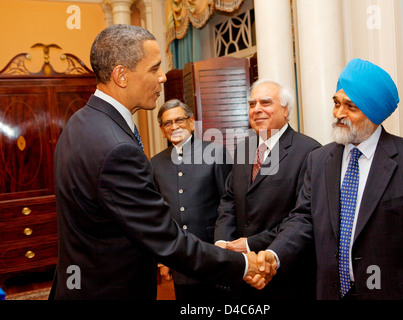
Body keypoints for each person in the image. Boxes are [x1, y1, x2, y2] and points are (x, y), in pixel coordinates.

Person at [49, 24, 272, 300]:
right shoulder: (117, 147)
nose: (163, 77)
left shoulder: (81, 122)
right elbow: (166, 239)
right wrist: (244, 264)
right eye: (154, 68)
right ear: (121, 75)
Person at [254, 58, 403, 300]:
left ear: (374, 112)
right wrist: (274, 255)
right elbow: (303, 220)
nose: (339, 114)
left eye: (350, 106)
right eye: (336, 104)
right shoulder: (318, 161)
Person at [214, 79, 321, 299]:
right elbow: (229, 200)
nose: (257, 110)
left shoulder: (309, 151)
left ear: (286, 109)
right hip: (242, 272)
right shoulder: (244, 148)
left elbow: (302, 216)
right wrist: (223, 243)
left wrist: (250, 244)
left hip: (287, 275)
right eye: (252, 104)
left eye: (265, 103)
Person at [150, 99, 232, 300]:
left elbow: (229, 203)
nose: (174, 126)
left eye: (179, 120)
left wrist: (226, 247)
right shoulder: (156, 163)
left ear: (191, 122)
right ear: (162, 130)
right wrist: (164, 259)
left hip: (214, 252)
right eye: (167, 123)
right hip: (180, 257)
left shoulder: (215, 152)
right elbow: (159, 213)